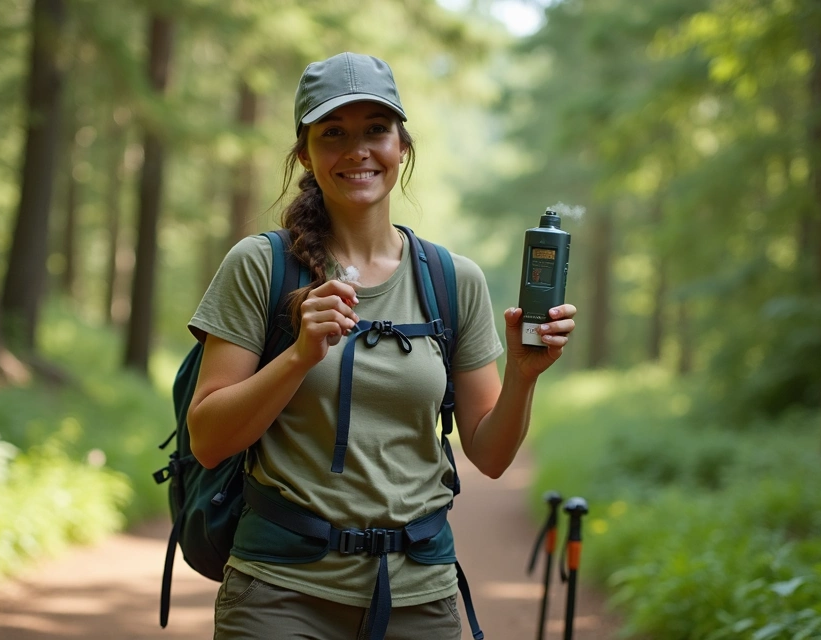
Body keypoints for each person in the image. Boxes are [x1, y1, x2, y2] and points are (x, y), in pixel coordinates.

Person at [187, 51, 577, 639]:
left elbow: (492, 457)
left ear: (403, 146)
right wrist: (298, 356)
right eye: (333, 134)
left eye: (376, 130)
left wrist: (523, 376)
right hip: (281, 592)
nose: (357, 150)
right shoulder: (260, 265)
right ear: (305, 154)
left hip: (420, 592)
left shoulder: (452, 280)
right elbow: (208, 440)